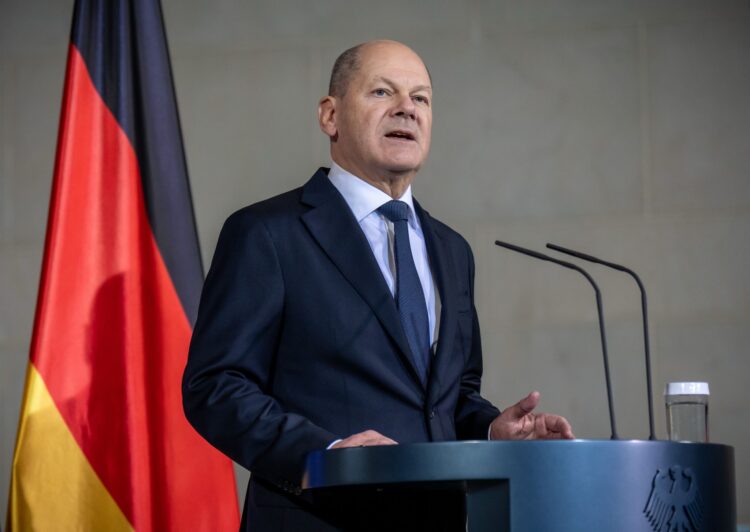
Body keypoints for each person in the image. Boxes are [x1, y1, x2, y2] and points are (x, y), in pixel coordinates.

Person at [183, 40, 574, 532]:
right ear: (331, 116)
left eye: (421, 98)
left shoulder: (452, 250)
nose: (406, 109)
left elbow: (449, 396)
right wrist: (323, 456)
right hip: (318, 519)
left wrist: (493, 430)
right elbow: (216, 386)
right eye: (382, 92)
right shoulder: (268, 233)